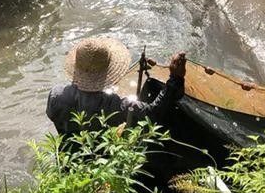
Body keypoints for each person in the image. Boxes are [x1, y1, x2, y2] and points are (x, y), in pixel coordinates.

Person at [46, 37, 186, 138]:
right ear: (107, 72)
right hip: (101, 159)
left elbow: (52, 115)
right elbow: (153, 113)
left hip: (68, 157)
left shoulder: (56, 96)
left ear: (77, 67)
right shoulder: (114, 105)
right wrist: (175, 79)